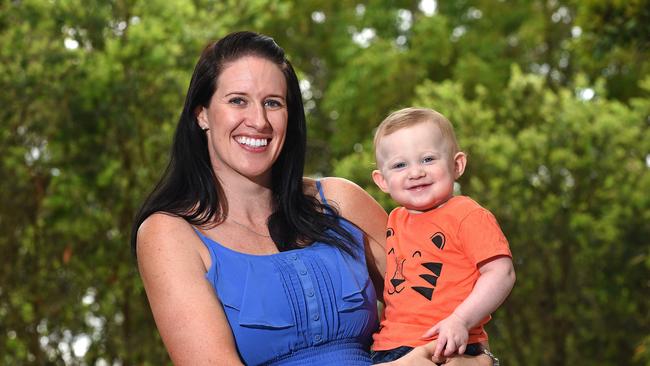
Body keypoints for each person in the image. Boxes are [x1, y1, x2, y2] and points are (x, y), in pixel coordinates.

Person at [131, 31, 493, 365]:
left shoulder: (340, 201)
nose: (258, 120)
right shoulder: (169, 235)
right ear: (202, 114)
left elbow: (447, 299)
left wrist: (477, 359)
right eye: (238, 100)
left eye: (273, 103)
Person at [370, 108, 515, 364]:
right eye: (400, 165)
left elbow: (501, 273)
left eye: (427, 159)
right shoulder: (394, 219)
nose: (415, 172)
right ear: (382, 181)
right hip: (388, 348)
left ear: (457, 164)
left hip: (448, 346)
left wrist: (461, 319)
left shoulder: (466, 214)